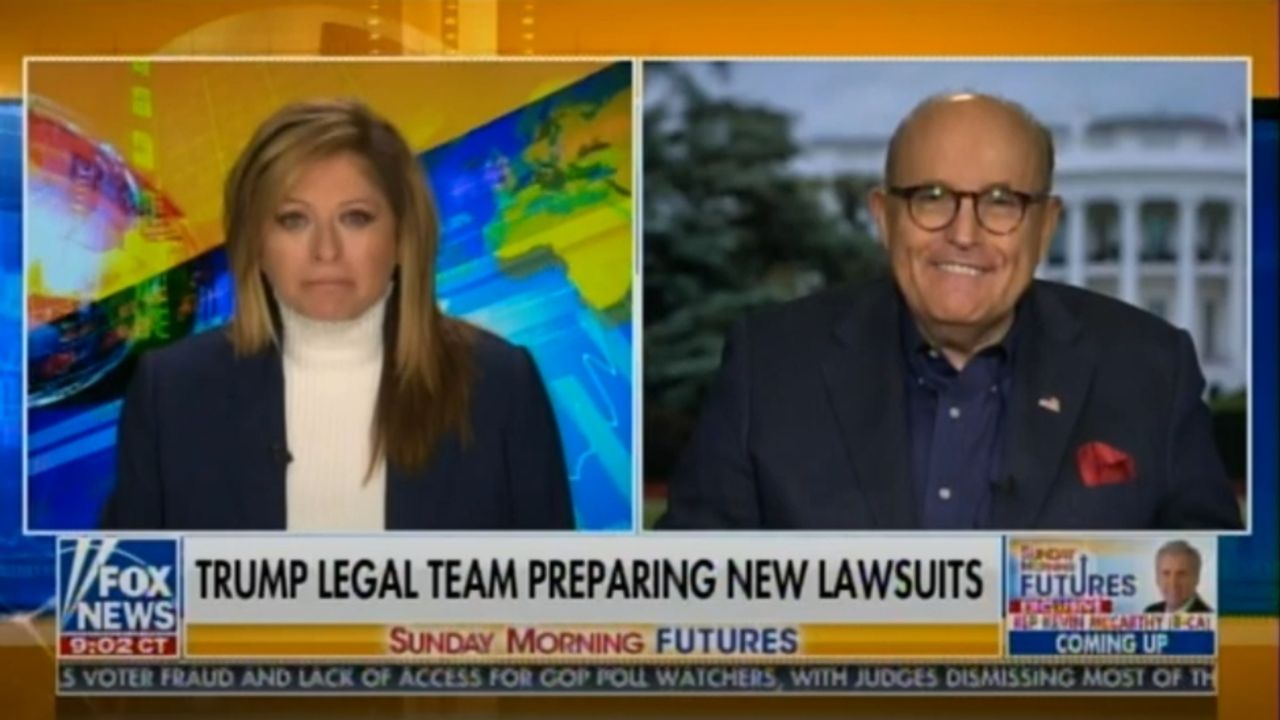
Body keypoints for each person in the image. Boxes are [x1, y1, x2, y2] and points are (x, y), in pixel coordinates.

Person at [658, 92, 1242, 531]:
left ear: (1046, 227)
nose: (964, 234)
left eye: (1001, 202)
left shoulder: (1149, 370)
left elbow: (1216, 607)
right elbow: (680, 600)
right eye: (931, 198)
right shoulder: (771, 366)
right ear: (884, 218)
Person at [103, 99, 574, 530]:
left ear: (402, 236)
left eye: (355, 218)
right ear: (256, 244)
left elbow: (551, 588)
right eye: (293, 220)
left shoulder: (498, 385)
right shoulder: (171, 393)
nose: (325, 251)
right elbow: (128, 588)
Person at [1144, 541, 1213, 612]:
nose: (1173, 583)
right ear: (1157, 578)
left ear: (1196, 578)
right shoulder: (1150, 611)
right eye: (1166, 573)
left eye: (1181, 574)